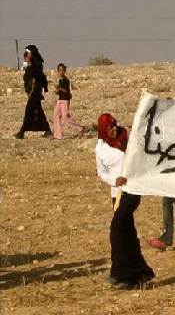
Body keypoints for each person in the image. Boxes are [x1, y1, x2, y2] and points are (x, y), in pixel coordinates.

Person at [95, 113, 155, 288]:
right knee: (127, 233)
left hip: (131, 190)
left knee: (117, 228)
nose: (114, 130)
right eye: (109, 128)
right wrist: (115, 181)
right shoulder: (100, 148)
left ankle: (119, 272)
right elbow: (101, 172)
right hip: (116, 194)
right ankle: (139, 272)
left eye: (114, 126)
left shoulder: (127, 139)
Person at [15, 45, 52, 139]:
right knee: (38, 110)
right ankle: (47, 130)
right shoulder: (32, 64)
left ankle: (22, 131)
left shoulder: (36, 64)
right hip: (33, 91)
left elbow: (37, 76)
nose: (26, 55)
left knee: (29, 110)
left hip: (34, 91)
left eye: (28, 53)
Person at [52, 63, 83, 139]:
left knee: (65, 117)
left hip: (65, 100)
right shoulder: (59, 80)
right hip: (60, 100)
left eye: (62, 70)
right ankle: (58, 135)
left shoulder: (66, 80)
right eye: (59, 70)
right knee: (56, 116)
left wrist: (59, 88)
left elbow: (67, 91)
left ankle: (80, 128)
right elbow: (60, 91)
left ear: (64, 71)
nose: (61, 72)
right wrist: (57, 91)